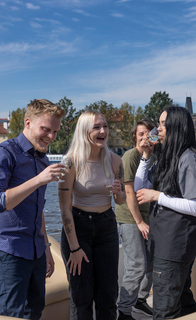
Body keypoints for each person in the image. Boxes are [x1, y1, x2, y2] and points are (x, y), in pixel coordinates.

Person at [0, 99, 66, 319]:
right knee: (12, 315)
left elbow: (37, 210)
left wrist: (46, 245)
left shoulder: (42, 159)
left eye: (55, 131)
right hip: (9, 248)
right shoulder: (4, 153)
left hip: (36, 249)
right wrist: (39, 180)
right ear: (28, 123)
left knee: (35, 311)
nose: (51, 137)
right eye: (45, 129)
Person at [134, 106, 196, 319]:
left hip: (174, 245)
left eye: (163, 124)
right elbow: (139, 187)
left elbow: (195, 207)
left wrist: (157, 196)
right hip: (164, 242)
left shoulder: (188, 158)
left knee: (164, 310)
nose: (158, 129)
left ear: (177, 126)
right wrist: (146, 156)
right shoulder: (168, 157)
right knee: (183, 303)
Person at [58, 111, 126, 320]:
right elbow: (64, 209)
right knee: (81, 296)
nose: (103, 131)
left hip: (106, 226)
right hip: (79, 226)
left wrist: (117, 191)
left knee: (108, 293)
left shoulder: (115, 161)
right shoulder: (70, 162)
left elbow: (121, 200)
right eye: (96, 127)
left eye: (105, 126)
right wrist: (75, 248)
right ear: (84, 130)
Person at [115, 119, 155, 320]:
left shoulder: (153, 156)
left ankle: (139, 299)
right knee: (137, 264)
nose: (144, 137)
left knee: (151, 263)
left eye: (148, 133)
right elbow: (129, 192)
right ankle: (124, 310)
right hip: (130, 218)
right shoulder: (130, 157)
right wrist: (139, 222)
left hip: (149, 216)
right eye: (141, 134)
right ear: (135, 137)